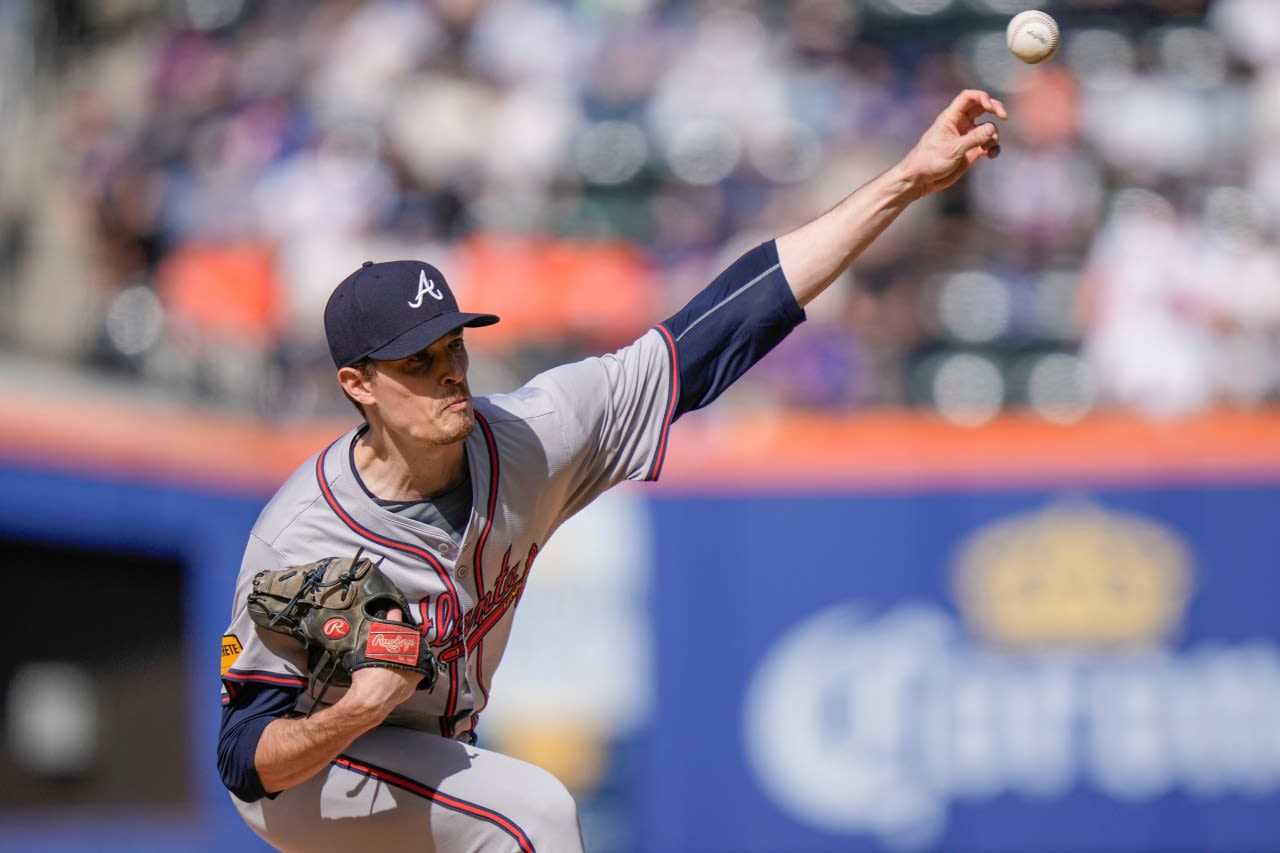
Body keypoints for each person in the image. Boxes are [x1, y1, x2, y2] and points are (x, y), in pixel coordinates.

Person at [217, 89, 1007, 852]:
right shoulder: (302, 534)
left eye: (452, 346)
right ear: (357, 385)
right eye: (417, 362)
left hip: (430, 757)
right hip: (311, 779)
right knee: (531, 816)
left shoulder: (533, 434)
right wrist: (353, 712)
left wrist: (904, 181)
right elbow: (244, 757)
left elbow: (719, 326)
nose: (449, 371)